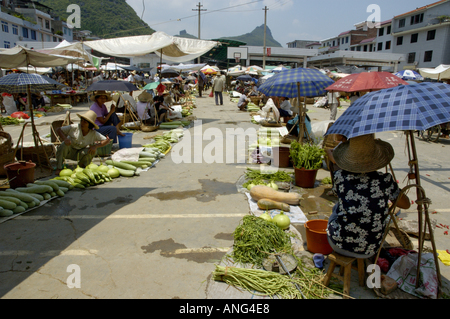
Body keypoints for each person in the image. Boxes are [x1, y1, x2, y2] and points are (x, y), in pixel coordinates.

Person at [326, 134, 411, 259]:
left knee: (337, 207)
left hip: (339, 244)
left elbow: (339, 194)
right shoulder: (385, 180)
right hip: (370, 249)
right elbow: (406, 204)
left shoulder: (340, 177)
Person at [55, 110, 111, 175]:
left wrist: (95, 146)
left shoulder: (93, 134)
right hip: (68, 151)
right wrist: (65, 139)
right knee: (64, 145)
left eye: (85, 122)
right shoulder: (74, 127)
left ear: (89, 125)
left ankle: (81, 165)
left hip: (80, 153)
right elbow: (58, 129)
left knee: (93, 151)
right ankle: (59, 167)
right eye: (81, 121)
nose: (82, 123)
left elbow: (107, 140)